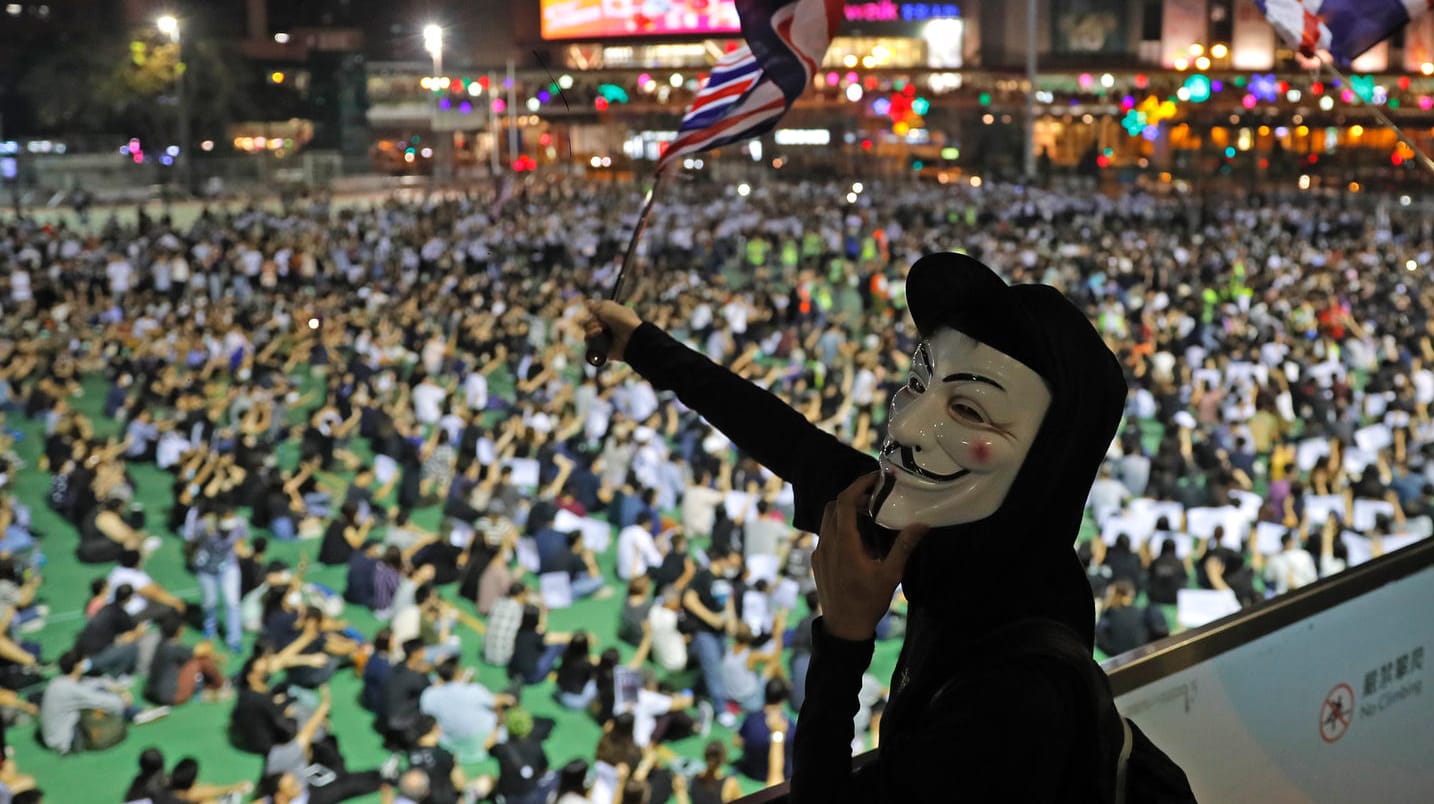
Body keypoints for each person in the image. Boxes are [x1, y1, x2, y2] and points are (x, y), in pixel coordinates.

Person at [585, 252, 1193, 801]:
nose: (903, 425)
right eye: (918, 383)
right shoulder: (959, 536)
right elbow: (789, 440)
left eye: (966, 409)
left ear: (1045, 460)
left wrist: (844, 641)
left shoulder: (1016, 702)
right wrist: (640, 345)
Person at [1095, 580, 1170, 657]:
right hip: (1143, 657)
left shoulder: (1109, 617)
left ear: (1117, 595)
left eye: (1110, 596)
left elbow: (1102, 641)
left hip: (1121, 661)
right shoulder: (1143, 612)